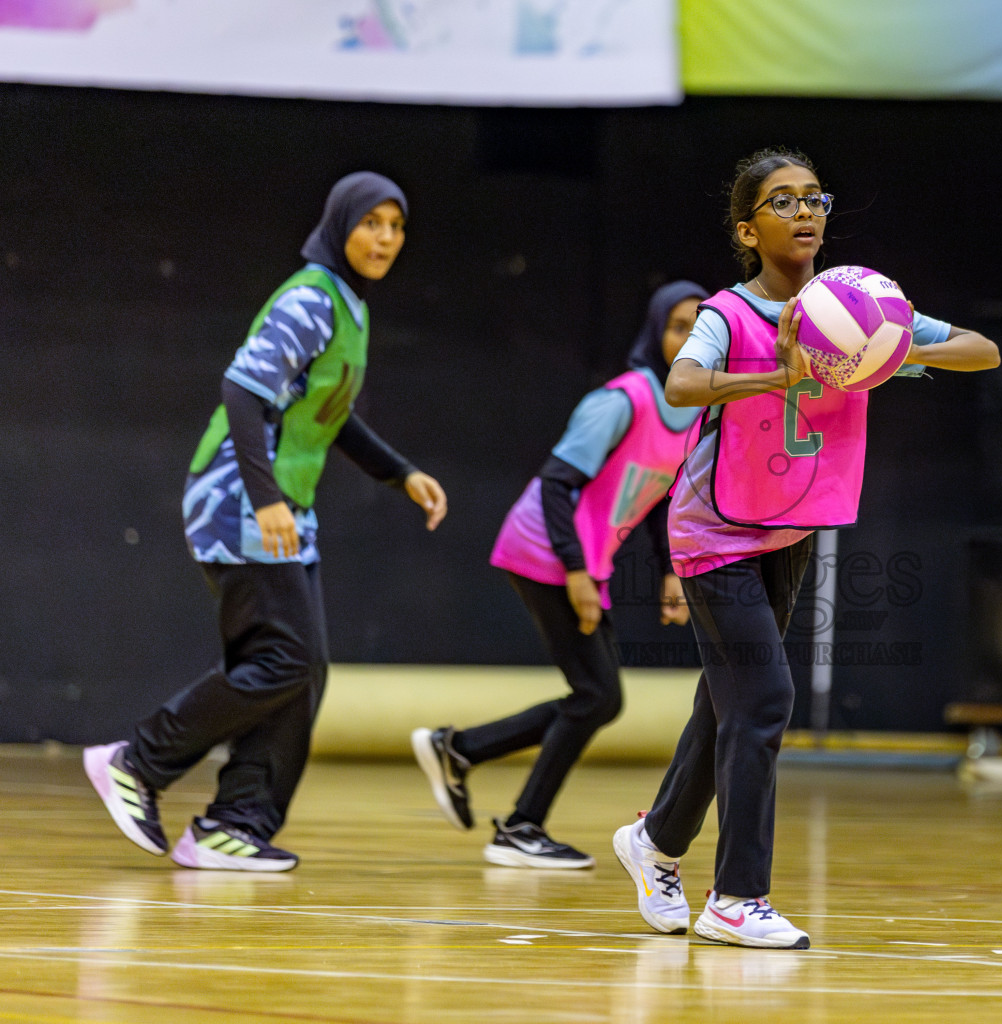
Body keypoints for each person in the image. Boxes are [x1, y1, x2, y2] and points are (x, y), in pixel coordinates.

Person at [611, 147, 999, 949]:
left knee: (726, 704)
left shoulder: (858, 304)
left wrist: (886, 350)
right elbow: (682, 387)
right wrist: (782, 377)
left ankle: (652, 843)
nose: (806, 211)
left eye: (815, 197)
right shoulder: (728, 314)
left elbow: (982, 349)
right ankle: (737, 896)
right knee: (766, 701)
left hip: (791, 524)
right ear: (750, 231)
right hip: (715, 533)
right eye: (783, 202)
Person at [84, 172, 447, 872]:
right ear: (340, 224)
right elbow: (242, 391)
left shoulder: (349, 307)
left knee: (301, 670)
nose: (385, 238)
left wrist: (401, 473)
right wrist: (265, 498)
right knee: (282, 659)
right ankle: (138, 762)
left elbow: (328, 418)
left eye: (396, 226)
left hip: (283, 507)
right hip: (240, 500)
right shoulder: (312, 296)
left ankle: (234, 824)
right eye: (371, 222)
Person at [411, 282, 707, 868]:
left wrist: (670, 572)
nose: (690, 337)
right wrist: (576, 573)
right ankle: (517, 821)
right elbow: (555, 483)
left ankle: (464, 753)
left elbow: (658, 498)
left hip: (580, 559)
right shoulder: (623, 400)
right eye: (678, 325)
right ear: (655, 333)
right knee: (598, 695)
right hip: (545, 548)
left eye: (701, 327)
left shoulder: (692, 412)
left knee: (595, 697)